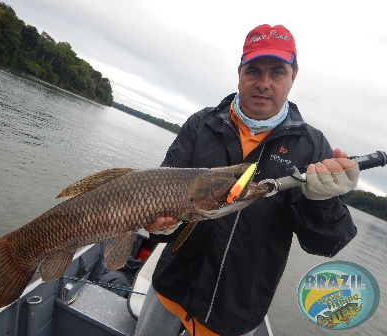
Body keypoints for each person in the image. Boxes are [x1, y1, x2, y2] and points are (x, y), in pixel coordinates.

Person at [134, 24, 359, 336]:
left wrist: (324, 202)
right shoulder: (201, 124)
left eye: (277, 72)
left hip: (233, 317)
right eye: (253, 71)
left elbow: (326, 243)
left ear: (293, 76)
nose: (263, 83)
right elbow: (159, 196)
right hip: (169, 292)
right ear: (239, 72)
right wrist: (157, 223)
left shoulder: (313, 147)